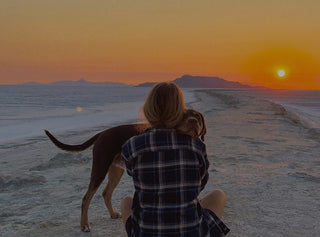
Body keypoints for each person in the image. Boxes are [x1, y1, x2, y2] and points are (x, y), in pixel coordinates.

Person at [120, 82, 230, 236]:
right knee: (218, 195)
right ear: (180, 109)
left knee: (126, 201)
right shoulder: (196, 145)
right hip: (191, 232)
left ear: (148, 108)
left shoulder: (131, 146)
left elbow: (133, 175)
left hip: (149, 232)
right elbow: (201, 183)